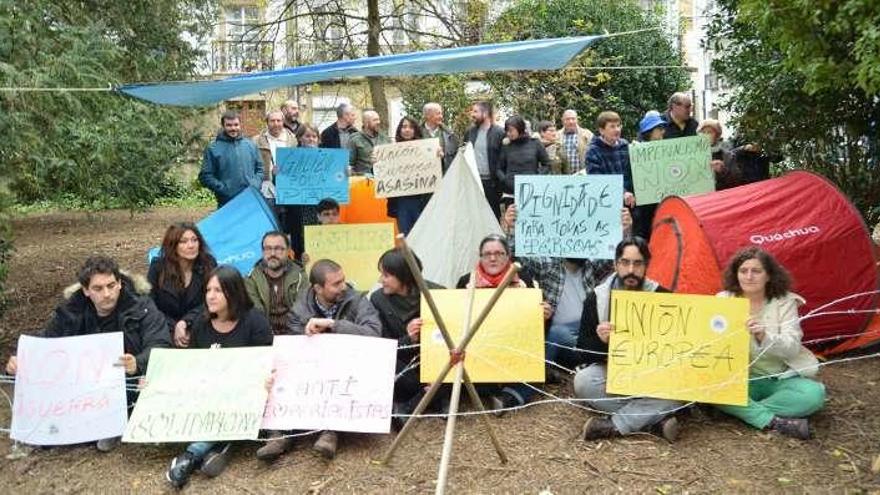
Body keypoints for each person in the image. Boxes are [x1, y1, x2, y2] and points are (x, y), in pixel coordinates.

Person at [5, 255, 171, 451]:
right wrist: (21, 360)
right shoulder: (71, 312)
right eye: (98, 289)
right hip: (83, 390)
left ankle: (110, 426)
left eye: (111, 285)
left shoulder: (142, 307)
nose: (107, 294)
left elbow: (161, 345)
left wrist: (138, 362)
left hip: (130, 384)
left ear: (119, 283)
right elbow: (46, 343)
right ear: (85, 290)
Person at [165, 266, 273, 487]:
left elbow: (265, 363)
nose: (210, 296)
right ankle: (223, 447)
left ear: (233, 293)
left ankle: (190, 455)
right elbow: (192, 366)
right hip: (210, 397)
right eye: (208, 290)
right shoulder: (202, 325)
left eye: (218, 290)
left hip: (246, 396)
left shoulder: (255, 322)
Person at [572, 237, 683, 442]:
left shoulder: (664, 297)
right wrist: (601, 342)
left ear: (646, 265)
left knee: (681, 392)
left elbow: (677, 349)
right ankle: (656, 419)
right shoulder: (596, 298)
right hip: (614, 374)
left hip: (653, 376)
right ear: (616, 264)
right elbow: (582, 350)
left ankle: (615, 425)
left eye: (638, 263)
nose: (631, 269)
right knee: (583, 381)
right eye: (625, 262)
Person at [500, 204, 630, 376]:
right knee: (558, 332)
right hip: (560, 338)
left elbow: (620, 256)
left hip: (588, 336)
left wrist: (624, 229)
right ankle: (538, 372)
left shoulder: (591, 265)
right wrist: (511, 228)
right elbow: (517, 254)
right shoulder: (549, 265)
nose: (578, 244)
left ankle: (567, 367)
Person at [714, 247, 825, 439]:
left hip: (778, 379)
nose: (749, 276)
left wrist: (764, 336)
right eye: (743, 271)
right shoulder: (724, 300)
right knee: (713, 386)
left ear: (768, 276)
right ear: (736, 274)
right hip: (740, 379)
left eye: (756, 271)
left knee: (814, 394)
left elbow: (792, 348)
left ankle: (743, 410)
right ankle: (772, 421)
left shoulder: (785, 302)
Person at [287, 259, 382, 459]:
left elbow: (374, 333)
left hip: (351, 367)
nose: (343, 287)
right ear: (317, 288)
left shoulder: (356, 300)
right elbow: (294, 351)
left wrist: (333, 325)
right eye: (336, 284)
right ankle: (282, 434)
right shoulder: (300, 309)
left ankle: (331, 430)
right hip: (315, 371)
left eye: (343, 280)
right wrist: (307, 337)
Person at [456, 234, 538, 412]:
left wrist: (543, 314)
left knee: (541, 359)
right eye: (487, 254)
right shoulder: (466, 282)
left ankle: (508, 395)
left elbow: (534, 326)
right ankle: (502, 392)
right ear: (480, 257)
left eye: (499, 253)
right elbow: (456, 320)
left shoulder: (523, 279)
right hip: (479, 348)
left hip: (514, 346)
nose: (493, 258)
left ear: (508, 256)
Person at [370, 248, 444, 425]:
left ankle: (423, 400)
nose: (381, 280)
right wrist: (408, 338)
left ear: (403, 275)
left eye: (386, 275)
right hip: (405, 368)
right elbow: (384, 347)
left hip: (437, 365)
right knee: (382, 361)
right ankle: (427, 398)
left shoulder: (436, 293)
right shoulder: (378, 299)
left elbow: (453, 336)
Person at [149, 223, 217, 345]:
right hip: (164, 327)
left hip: (200, 324)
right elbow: (149, 304)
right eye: (183, 242)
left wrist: (186, 322)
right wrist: (175, 327)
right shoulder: (158, 267)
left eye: (194, 240)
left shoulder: (208, 264)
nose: (191, 245)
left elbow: (213, 300)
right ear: (173, 246)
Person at [253, 110, 302, 256]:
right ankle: (272, 254)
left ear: (283, 122)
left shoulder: (293, 140)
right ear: (267, 122)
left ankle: (291, 255)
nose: (276, 124)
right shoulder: (256, 141)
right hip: (268, 189)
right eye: (272, 121)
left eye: (279, 121)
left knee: (291, 225)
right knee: (272, 224)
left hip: (289, 189)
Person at [245, 231, 307, 336]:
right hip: (264, 335)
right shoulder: (251, 279)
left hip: (295, 335)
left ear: (288, 251)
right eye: (268, 249)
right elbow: (256, 314)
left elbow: (302, 312)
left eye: (278, 249)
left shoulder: (301, 276)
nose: (272, 254)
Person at [199, 110, 265, 207]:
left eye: (236, 124)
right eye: (229, 125)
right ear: (223, 126)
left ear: (240, 125)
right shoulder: (213, 149)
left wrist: (255, 185)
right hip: (226, 202)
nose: (233, 128)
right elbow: (205, 176)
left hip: (250, 199)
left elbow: (260, 169)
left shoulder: (251, 145)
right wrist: (224, 189)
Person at [387, 116, 431, 235]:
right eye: (404, 126)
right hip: (401, 201)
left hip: (421, 200)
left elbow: (436, 172)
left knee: (422, 235)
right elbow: (383, 175)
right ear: (399, 130)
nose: (407, 130)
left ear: (416, 130)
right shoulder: (389, 151)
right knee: (405, 236)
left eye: (411, 127)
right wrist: (376, 163)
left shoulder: (426, 149)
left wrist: (438, 157)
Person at [496, 115, 552, 208]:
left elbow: (547, 165)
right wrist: (505, 180)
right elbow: (498, 169)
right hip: (511, 193)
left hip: (532, 191)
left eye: (511, 130)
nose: (508, 133)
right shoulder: (506, 146)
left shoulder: (535, 143)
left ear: (520, 128)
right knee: (513, 221)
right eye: (507, 131)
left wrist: (536, 178)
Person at [586, 111, 635, 210]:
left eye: (618, 126)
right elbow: (598, 180)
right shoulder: (593, 151)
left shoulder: (625, 145)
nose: (617, 130)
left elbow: (634, 172)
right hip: (608, 204)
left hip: (631, 202)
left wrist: (639, 151)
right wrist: (622, 192)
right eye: (612, 126)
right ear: (602, 130)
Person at [464, 101, 505, 219]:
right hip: (474, 181)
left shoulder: (499, 132)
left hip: (492, 184)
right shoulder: (470, 132)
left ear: (485, 113)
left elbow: (504, 158)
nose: (472, 114)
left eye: (475, 111)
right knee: (475, 216)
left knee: (493, 216)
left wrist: (500, 177)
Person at [697, 119, 741, 190]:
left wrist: (723, 170)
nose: (705, 136)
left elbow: (736, 181)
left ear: (717, 135)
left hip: (720, 196)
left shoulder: (727, 155)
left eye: (709, 132)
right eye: (703, 132)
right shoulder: (693, 155)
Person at [295, 123, 322, 227]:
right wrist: (277, 174)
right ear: (300, 138)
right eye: (307, 136)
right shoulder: (290, 157)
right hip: (301, 206)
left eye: (314, 136)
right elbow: (282, 183)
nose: (311, 139)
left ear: (318, 139)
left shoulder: (328, 157)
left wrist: (345, 173)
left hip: (321, 204)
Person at [421, 102, 459, 172]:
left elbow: (456, 158)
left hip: (444, 177)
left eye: (441, 113)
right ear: (428, 115)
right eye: (438, 114)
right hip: (424, 177)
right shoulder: (417, 133)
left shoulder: (450, 134)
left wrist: (443, 157)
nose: (441, 116)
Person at [348, 109, 390, 175]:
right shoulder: (355, 139)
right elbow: (349, 165)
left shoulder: (385, 138)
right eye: (375, 120)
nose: (378, 122)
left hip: (383, 179)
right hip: (364, 181)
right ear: (366, 123)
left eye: (378, 119)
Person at [559, 109, 594, 174]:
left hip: (583, 176)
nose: (571, 122)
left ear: (577, 120)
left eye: (573, 119)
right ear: (563, 120)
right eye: (567, 119)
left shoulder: (587, 135)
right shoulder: (557, 136)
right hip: (563, 177)